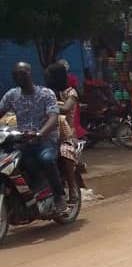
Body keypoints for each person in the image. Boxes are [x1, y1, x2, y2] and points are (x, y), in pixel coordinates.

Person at [0, 62, 66, 212]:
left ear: (30, 74)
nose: (20, 77)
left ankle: (58, 195)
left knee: (46, 159)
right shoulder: (12, 95)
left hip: (45, 140)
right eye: (16, 75)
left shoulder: (46, 94)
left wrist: (40, 133)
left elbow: (53, 117)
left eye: (23, 73)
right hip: (22, 142)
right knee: (11, 164)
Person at [44, 63, 82, 203]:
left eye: (49, 76)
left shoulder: (71, 93)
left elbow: (66, 109)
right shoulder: (47, 92)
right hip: (48, 132)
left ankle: (72, 189)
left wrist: (48, 108)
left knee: (65, 152)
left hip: (67, 133)